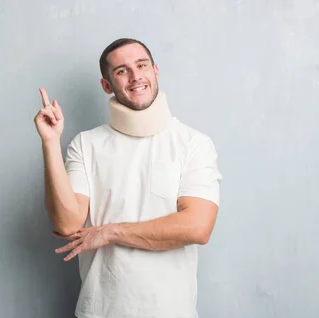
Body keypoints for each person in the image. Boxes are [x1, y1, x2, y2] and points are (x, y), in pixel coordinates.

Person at [33, 38, 223, 318]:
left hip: (171, 311)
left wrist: (110, 232)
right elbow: (67, 223)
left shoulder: (193, 143)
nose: (136, 76)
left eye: (141, 65)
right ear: (107, 85)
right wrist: (50, 142)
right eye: (122, 71)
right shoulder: (86, 144)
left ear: (155, 70)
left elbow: (197, 227)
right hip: (99, 310)